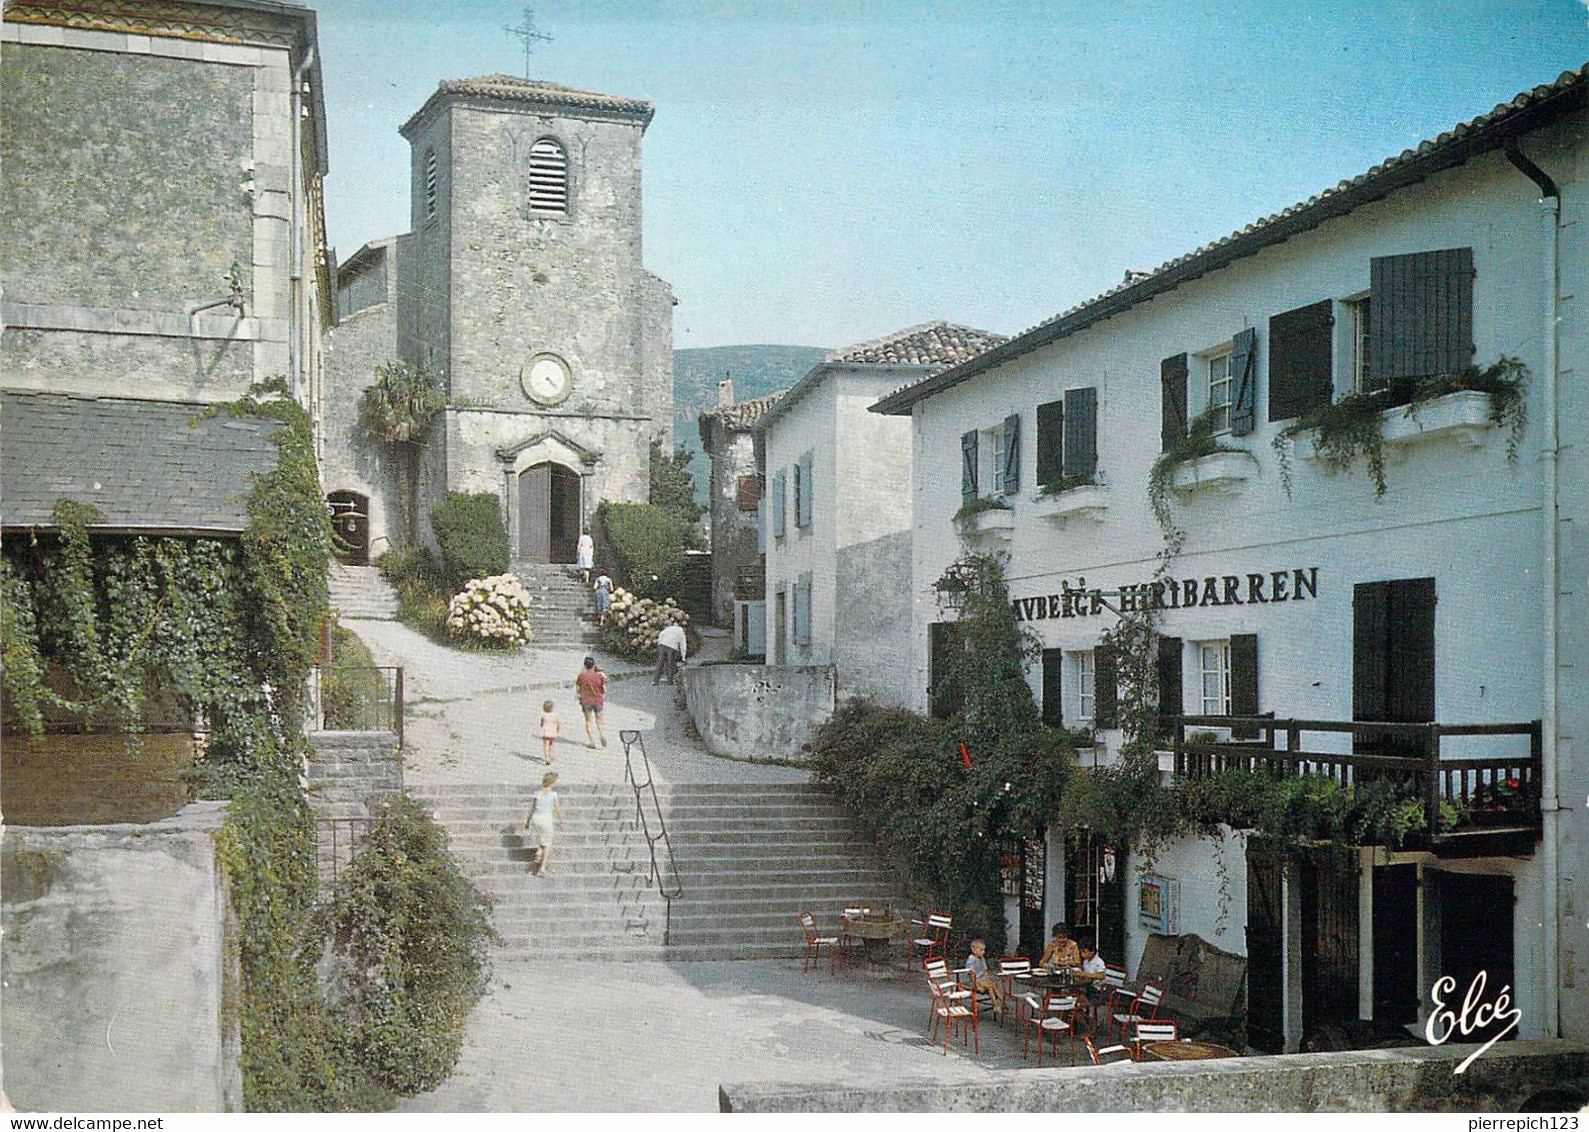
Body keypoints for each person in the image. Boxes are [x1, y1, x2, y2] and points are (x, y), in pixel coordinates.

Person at [523, 771, 564, 877]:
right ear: (553, 783)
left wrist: (527, 821)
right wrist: (561, 821)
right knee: (548, 844)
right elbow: (557, 809)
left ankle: (539, 852)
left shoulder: (537, 793)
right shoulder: (553, 794)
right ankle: (542, 868)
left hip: (536, 818)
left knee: (543, 838)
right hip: (546, 819)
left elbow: (532, 808)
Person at [575, 655, 608, 748]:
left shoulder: (581, 676)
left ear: (585, 665)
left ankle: (592, 741)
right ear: (594, 665)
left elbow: (578, 690)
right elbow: (604, 690)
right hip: (598, 700)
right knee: (599, 720)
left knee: (588, 721)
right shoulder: (600, 676)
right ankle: (601, 734)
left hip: (586, 701)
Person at [964, 938, 1003, 1014]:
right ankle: (996, 1005)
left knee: (993, 985)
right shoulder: (971, 960)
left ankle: (1001, 1002)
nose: (983, 952)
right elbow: (972, 974)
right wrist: (976, 985)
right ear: (974, 950)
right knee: (990, 987)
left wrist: (988, 979)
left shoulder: (982, 958)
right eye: (981, 950)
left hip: (981, 979)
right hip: (973, 981)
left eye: (984, 950)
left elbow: (985, 971)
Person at [654, 621, 686, 685]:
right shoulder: (681, 632)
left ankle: (655, 680)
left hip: (662, 645)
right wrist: (683, 657)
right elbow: (683, 645)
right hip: (672, 647)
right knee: (670, 663)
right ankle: (670, 681)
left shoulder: (668, 628)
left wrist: (659, 644)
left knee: (660, 663)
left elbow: (661, 635)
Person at [539, 699, 560, 765]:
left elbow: (541, 724)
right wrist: (557, 729)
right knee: (551, 745)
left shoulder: (543, 715)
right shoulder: (555, 715)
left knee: (546, 745)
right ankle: (551, 756)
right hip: (552, 732)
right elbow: (558, 723)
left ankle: (546, 758)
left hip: (545, 733)